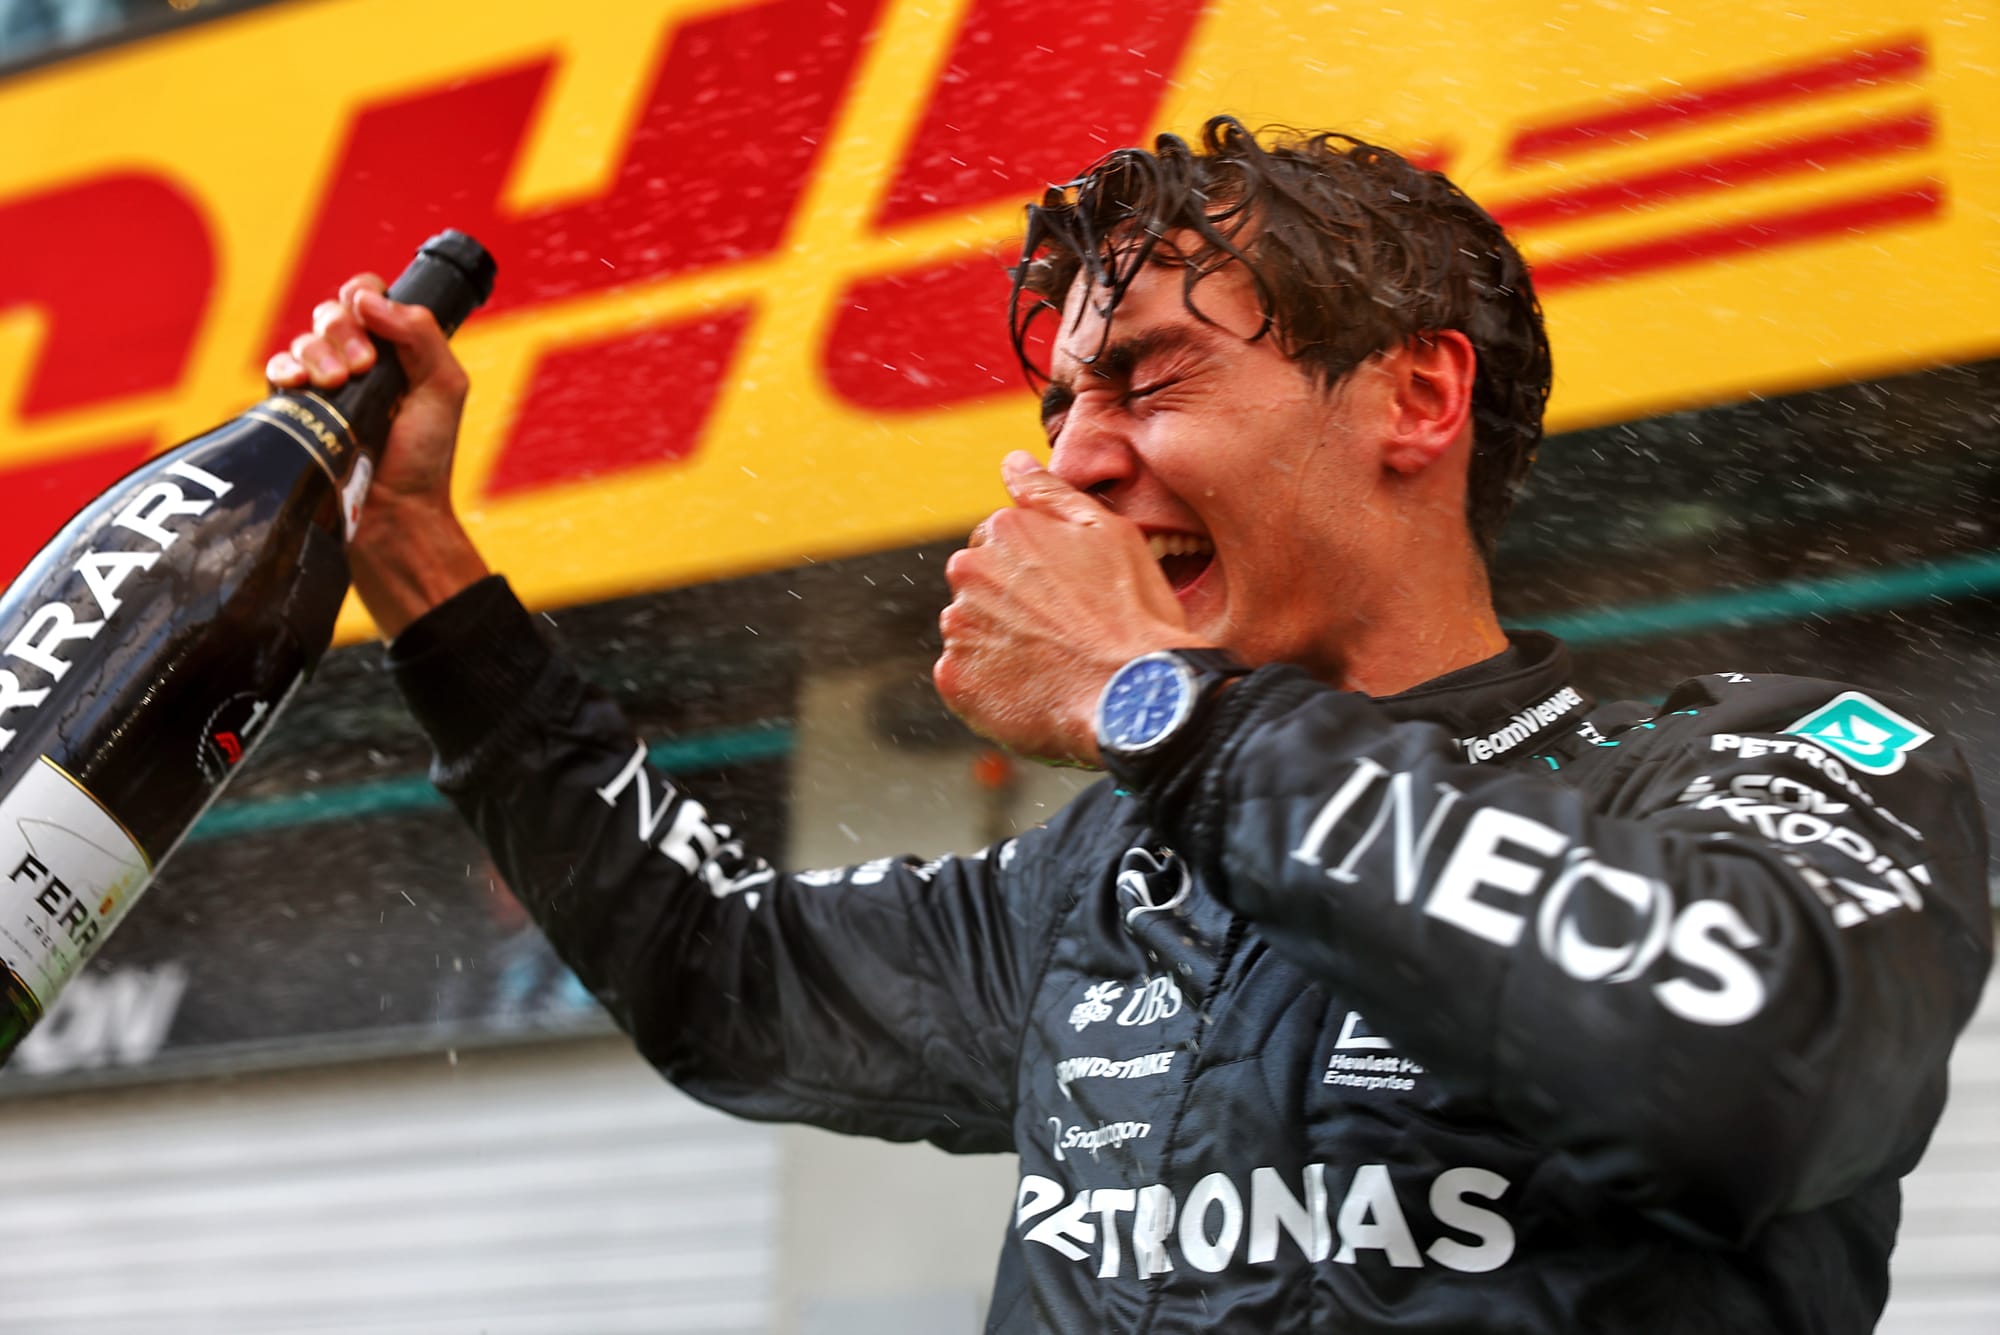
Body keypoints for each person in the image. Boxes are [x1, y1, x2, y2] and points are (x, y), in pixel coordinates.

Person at [270, 118, 1993, 1333]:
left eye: (1151, 378)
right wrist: (420, 569)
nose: (1077, 457)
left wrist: (1145, 704)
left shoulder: (1748, 762)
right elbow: (720, 974)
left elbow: (1748, 1065)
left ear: (1417, 395)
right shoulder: (1092, 877)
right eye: (1062, 402)